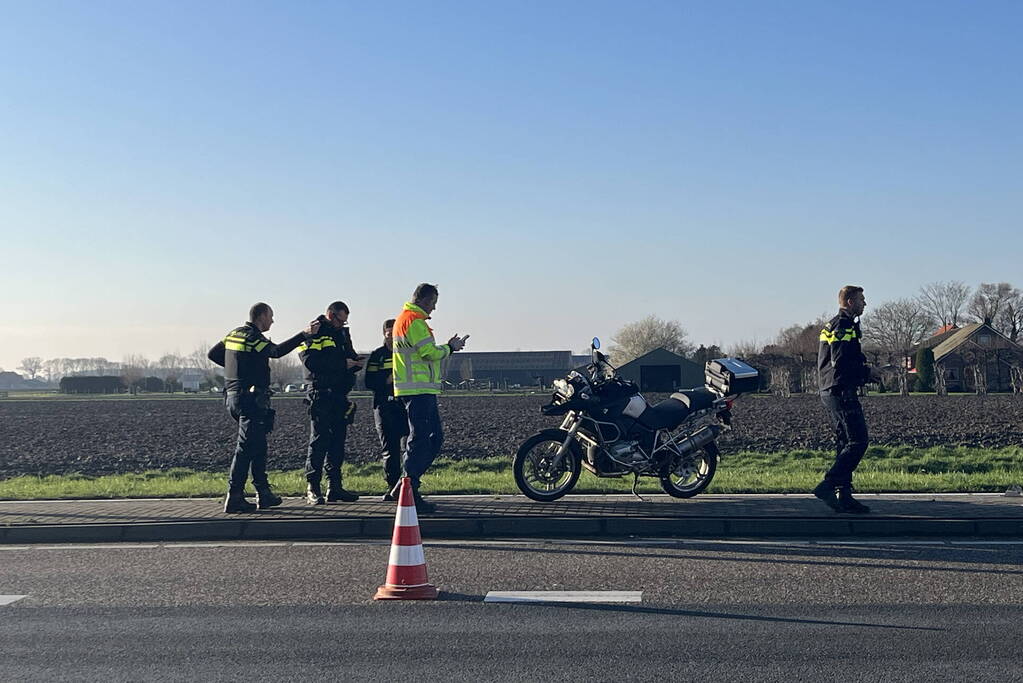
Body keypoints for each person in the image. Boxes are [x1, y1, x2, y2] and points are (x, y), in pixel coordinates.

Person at [209, 303, 319, 513]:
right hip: (250, 400)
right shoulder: (254, 337)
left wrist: (237, 368)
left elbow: (214, 354)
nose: (272, 321)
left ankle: (264, 493)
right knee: (244, 449)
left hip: (233, 397)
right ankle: (234, 496)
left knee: (258, 445)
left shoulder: (234, 334)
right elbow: (276, 351)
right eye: (271, 317)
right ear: (261, 317)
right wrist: (303, 335)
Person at [391, 283, 468, 513]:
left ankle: (405, 484)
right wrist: (450, 347)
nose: (434, 309)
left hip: (416, 390)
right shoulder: (414, 321)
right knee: (423, 439)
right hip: (418, 391)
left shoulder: (405, 320)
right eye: (433, 303)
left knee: (430, 438)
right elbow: (429, 353)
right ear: (424, 300)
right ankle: (409, 487)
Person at [814, 285, 876, 514]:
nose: (865, 303)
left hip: (831, 390)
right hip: (840, 391)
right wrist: (868, 373)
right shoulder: (843, 325)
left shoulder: (834, 324)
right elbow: (841, 363)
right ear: (850, 302)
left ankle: (845, 497)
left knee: (844, 444)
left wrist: (866, 373)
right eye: (862, 299)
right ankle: (828, 485)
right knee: (858, 441)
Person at [298, 301, 363, 505]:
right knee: (319, 441)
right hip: (321, 393)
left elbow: (348, 355)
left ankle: (334, 487)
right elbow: (311, 362)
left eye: (344, 321)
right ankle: (312, 487)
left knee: (337, 443)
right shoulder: (314, 331)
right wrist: (342, 364)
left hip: (339, 394)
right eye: (339, 320)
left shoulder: (343, 333)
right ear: (330, 314)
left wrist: (355, 363)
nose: (341, 325)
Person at [364, 318, 408, 501]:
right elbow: (368, 382)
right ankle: (392, 486)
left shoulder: (406, 352)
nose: (392, 338)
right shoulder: (377, 355)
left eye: (395, 333)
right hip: (384, 407)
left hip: (404, 406)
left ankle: (408, 485)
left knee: (408, 448)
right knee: (389, 450)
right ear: (384, 334)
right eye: (389, 334)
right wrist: (387, 380)